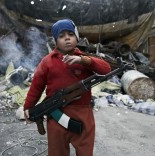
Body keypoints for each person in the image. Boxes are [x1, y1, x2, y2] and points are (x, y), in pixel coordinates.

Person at [24, 19, 111, 156]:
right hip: (56, 113)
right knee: (57, 152)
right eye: (61, 36)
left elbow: (106, 69)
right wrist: (27, 107)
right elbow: (36, 86)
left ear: (76, 37)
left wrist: (83, 60)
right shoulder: (47, 61)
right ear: (55, 41)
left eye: (70, 34)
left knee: (85, 151)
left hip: (83, 113)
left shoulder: (84, 59)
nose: (67, 38)